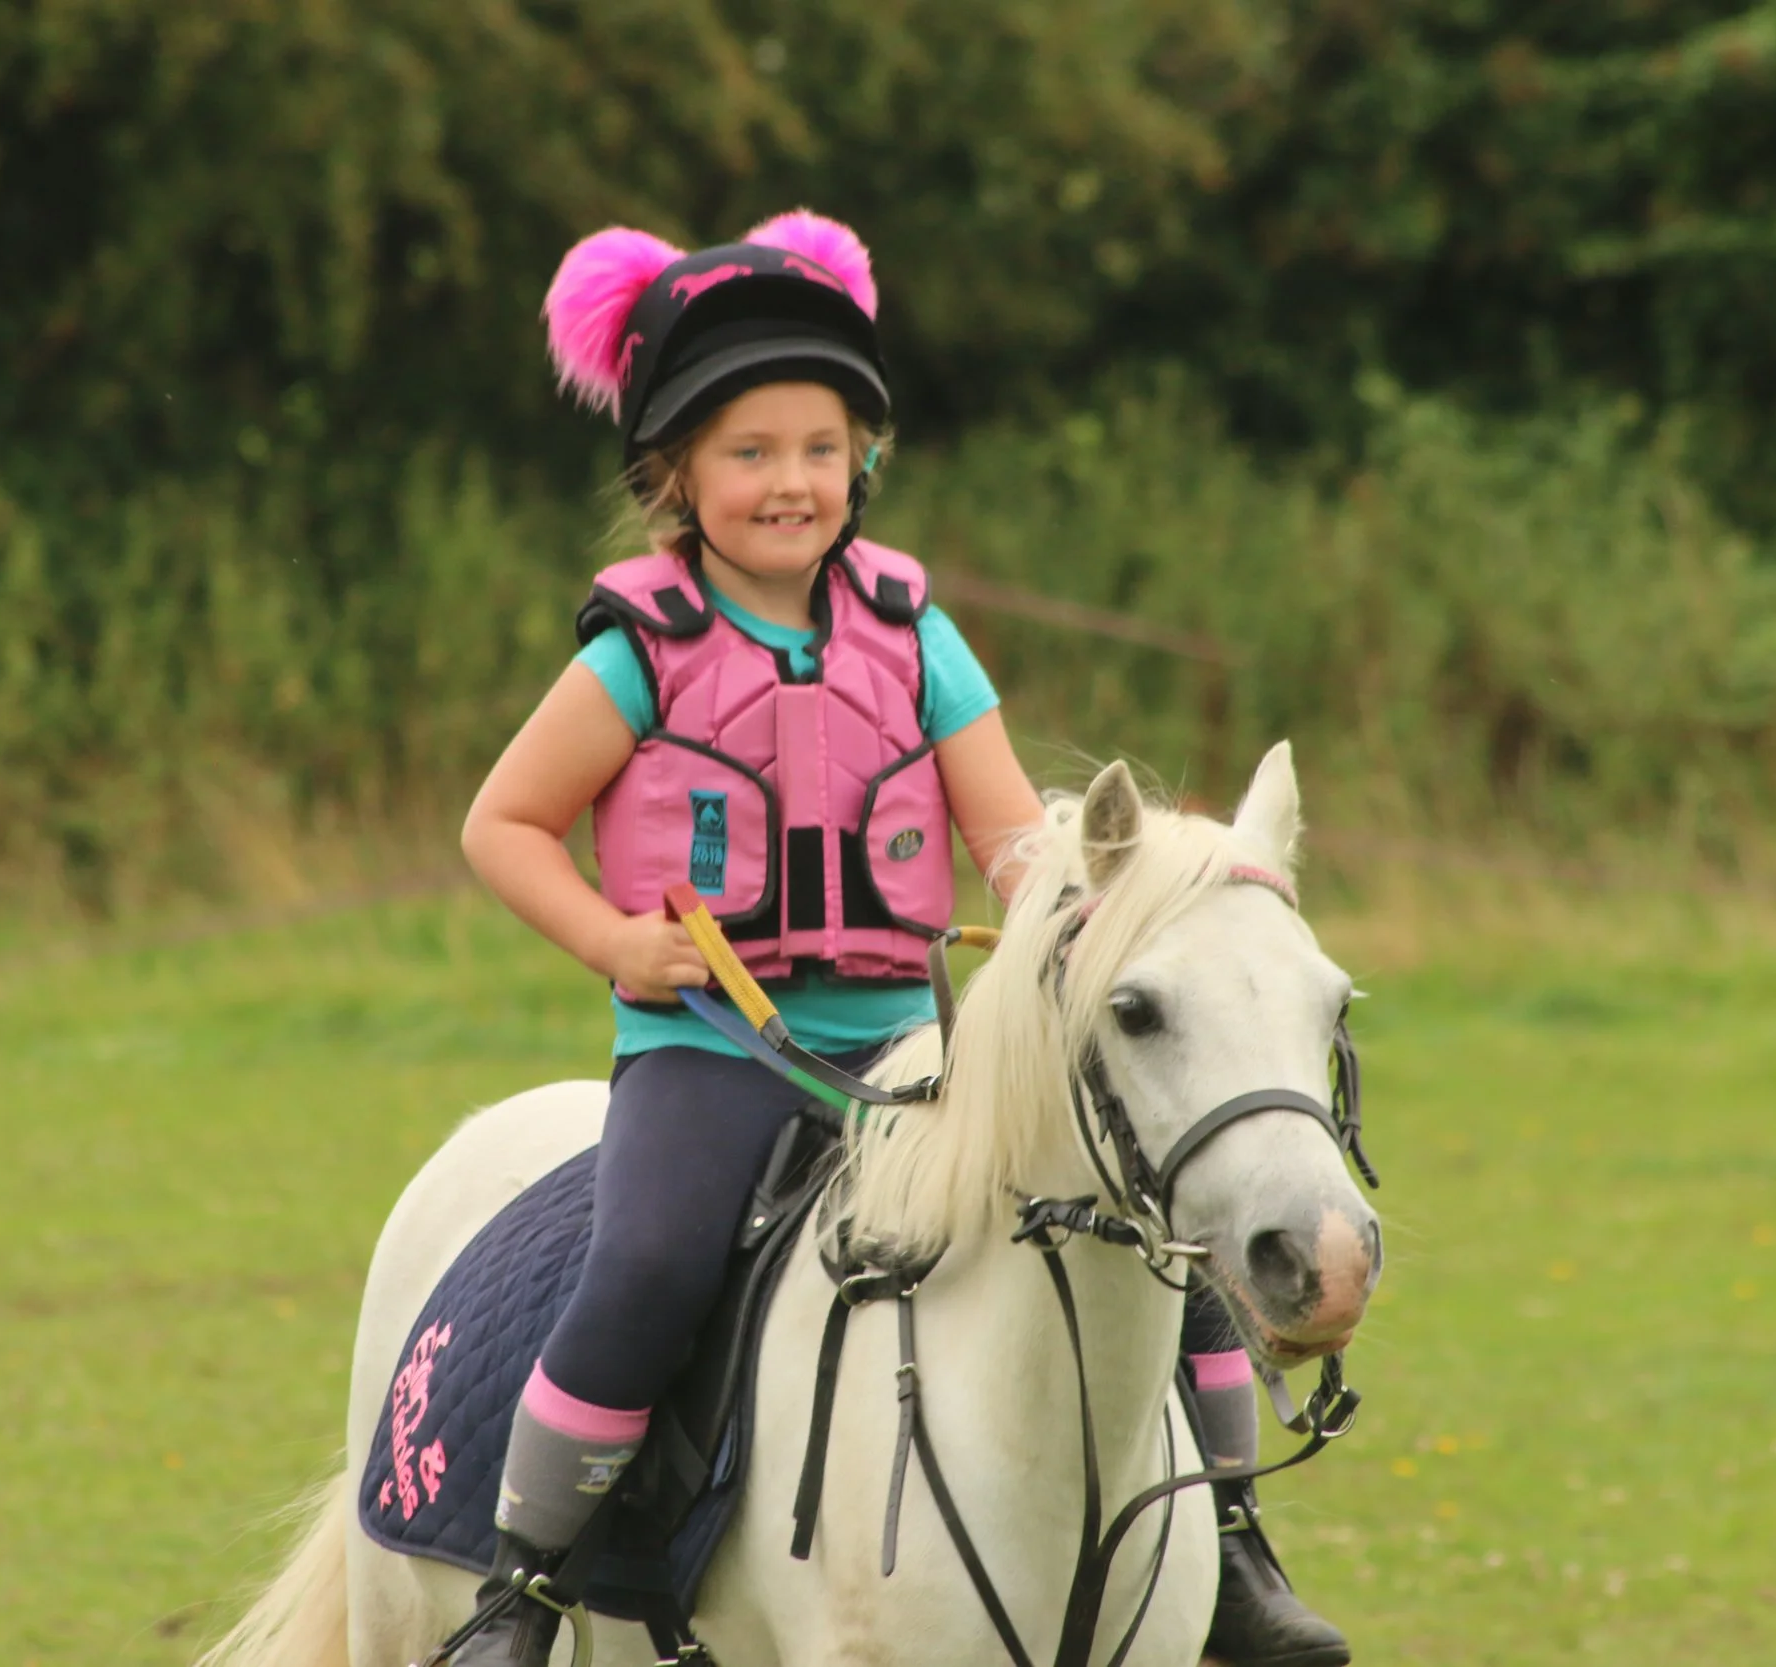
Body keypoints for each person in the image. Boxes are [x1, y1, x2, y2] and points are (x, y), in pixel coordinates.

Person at [454, 210, 1347, 1667]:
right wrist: (616, 943)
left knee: (1159, 1240)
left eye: (819, 446)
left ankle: (1234, 1546)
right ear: (674, 473)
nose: (789, 481)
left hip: (904, 1034)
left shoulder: (914, 634)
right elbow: (501, 824)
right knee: (651, 1263)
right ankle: (523, 1585)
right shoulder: (635, 651)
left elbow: (1012, 840)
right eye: (748, 453)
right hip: (716, 1045)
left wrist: (1120, 908)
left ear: (862, 458)